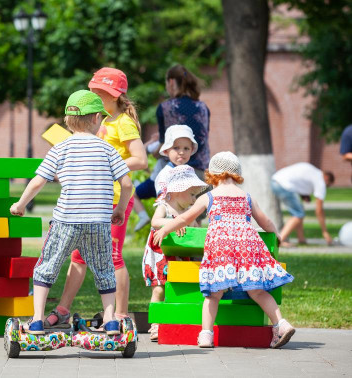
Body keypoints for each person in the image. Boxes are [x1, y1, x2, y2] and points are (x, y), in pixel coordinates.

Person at [10, 90, 133, 335]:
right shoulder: (108, 150)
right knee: (105, 269)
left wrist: (20, 204)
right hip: (98, 222)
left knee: (47, 266)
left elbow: (37, 181)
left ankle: (36, 320)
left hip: (66, 221)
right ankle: (110, 321)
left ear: (67, 120)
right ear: (97, 118)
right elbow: (127, 184)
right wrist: (119, 209)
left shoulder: (60, 148)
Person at [153, 152, 295, 349]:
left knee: (213, 294)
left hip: (221, 248)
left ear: (212, 175)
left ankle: (206, 335)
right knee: (257, 291)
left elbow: (184, 219)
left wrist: (166, 228)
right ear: (236, 174)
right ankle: (281, 324)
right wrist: (276, 233)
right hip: (247, 247)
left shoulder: (209, 197)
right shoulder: (246, 197)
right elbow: (265, 221)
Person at [44, 68, 147, 328]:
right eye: (95, 92)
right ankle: (64, 309)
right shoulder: (97, 121)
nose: (98, 97)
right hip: (91, 197)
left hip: (114, 199)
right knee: (78, 255)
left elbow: (141, 160)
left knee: (113, 256)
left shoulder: (122, 122)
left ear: (118, 95)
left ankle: (121, 315)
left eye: (104, 93)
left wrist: (106, 162)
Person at [142, 164, 207, 341]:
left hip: (179, 256)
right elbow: (155, 222)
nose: (195, 199)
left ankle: (173, 321)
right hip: (160, 255)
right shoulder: (164, 206)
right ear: (179, 190)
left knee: (177, 289)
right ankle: (155, 325)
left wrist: (190, 224)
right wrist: (175, 223)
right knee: (159, 289)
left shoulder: (187, 212)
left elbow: (193, 229)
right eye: (192, 194)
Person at [135, 64, 211, 214]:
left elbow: (164, 147)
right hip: (201, 175)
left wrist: (151, 147)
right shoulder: (203, 108)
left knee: (171, 215)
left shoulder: (165, 108)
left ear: (171, 82)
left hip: (175, 175)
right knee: (194, 222)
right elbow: (202, 139)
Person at [271, 162, 335, 247]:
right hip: (284, 185)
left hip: (275, 180)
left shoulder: (314, 170)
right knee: (298, 214)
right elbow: (319, 210)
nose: (326, 187)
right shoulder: (321, 181)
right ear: (326, 178)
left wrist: (303, 194)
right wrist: (325, 231)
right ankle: (279, 241)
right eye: (328, 186)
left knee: (299, 211)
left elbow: (297, 178)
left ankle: (301, 239)